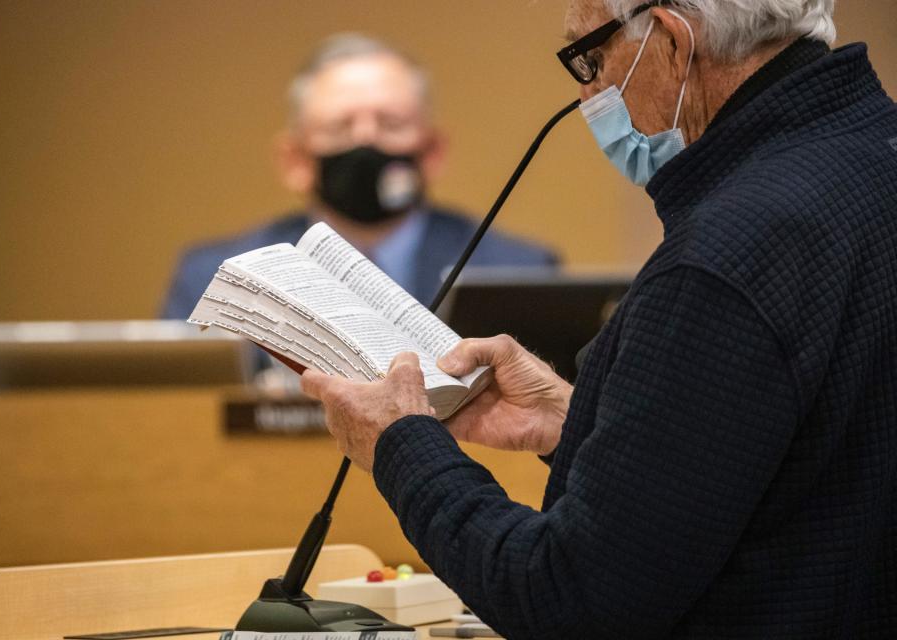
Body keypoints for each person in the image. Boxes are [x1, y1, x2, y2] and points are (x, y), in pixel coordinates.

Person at [301, 1, 897, 638]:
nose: (587, 95)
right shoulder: (871, 160)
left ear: (670, 40)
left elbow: (569, 601)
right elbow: (800, 459)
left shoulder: (724, 257)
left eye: (589, 58)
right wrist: (579, 421)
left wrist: (402, 446)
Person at [161, 33, 558, 320]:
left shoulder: (518, 271)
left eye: (391, 124)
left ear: (433, 151)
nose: (366, 139)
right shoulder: (218, 276)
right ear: (295, 161)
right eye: (339, 127)